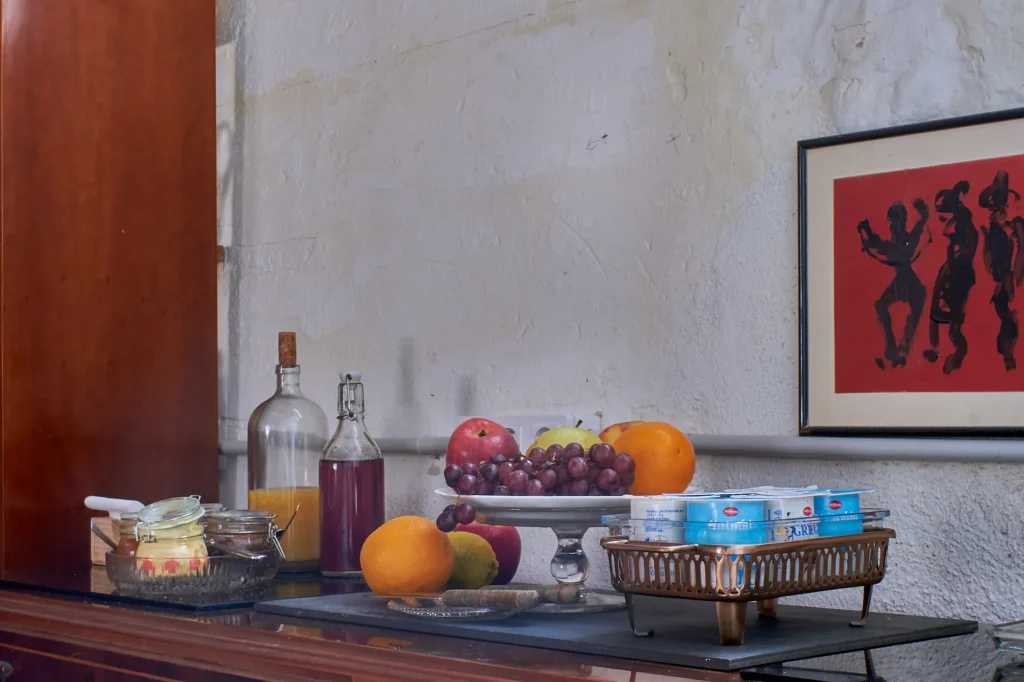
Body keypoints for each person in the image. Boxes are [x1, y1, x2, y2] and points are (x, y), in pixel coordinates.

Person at [857, 198, 930, 369]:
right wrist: (866, 234)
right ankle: (892, 348)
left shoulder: (908, 239)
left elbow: (922, 223)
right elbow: (879, 245)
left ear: (902, 221)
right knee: (881, 306)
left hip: (909, 282)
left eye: (896, 221)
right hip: (902, 281)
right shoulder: (893, 243)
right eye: (891, 221)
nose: (892, 225)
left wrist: (921, 211)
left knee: (913, 309)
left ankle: (903, 344)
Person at [924, 181, 977, 374]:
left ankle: (956, 357)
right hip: (952, 271)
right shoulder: (958, 223)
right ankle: (936, 350)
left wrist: (953, 268)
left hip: (959, 274)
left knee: (954, 323)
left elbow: (966, 251)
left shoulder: (966, 227)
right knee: (937, 312)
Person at [979, 170, 1024, 370]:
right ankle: (1006, 353)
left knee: (1007, 314)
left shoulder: (1013, 224)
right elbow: (988, 253)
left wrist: (1015, 275)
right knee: (1003, 312)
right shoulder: (993, 226)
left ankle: (1008, 355)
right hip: (998, 276)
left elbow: (1020, 249)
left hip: (1008, 276)